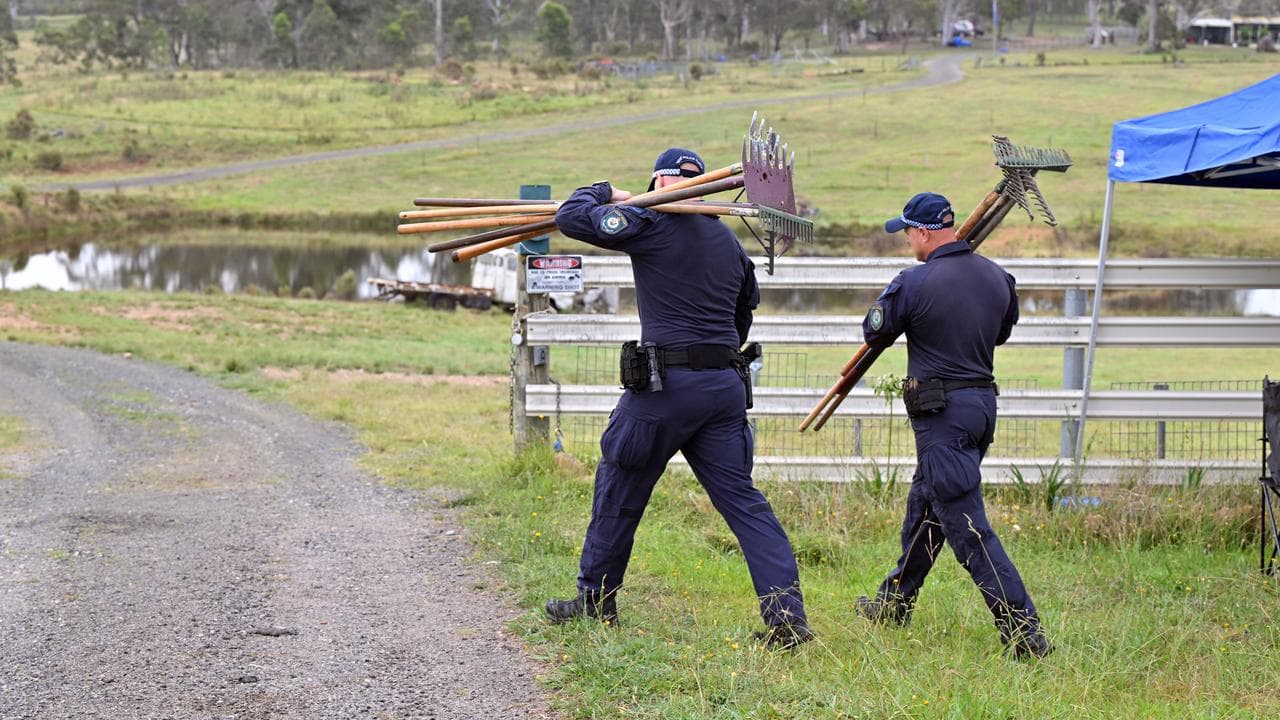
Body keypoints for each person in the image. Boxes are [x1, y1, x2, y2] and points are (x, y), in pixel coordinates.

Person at [544, 148, 812, 649]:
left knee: (620, 486)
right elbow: (742, 316)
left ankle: (595, 600)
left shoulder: (648, 223)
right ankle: (786, 617)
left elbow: (571, 217)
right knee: (745, 505)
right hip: (723, 390)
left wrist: (607, 191)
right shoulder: (730, 245)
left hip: (665, 390)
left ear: (659, 183)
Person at [855, 191, 1053, 660]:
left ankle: (1025, 633)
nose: (906, 241)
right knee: (927, 508)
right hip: (981, 409)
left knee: (967, 528)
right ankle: (894, 603)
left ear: (923, 232)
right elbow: (1001, 333)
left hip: (941, 416)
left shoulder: (914, 282)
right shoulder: (998, 278)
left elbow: (874, 331)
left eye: (906, 232)